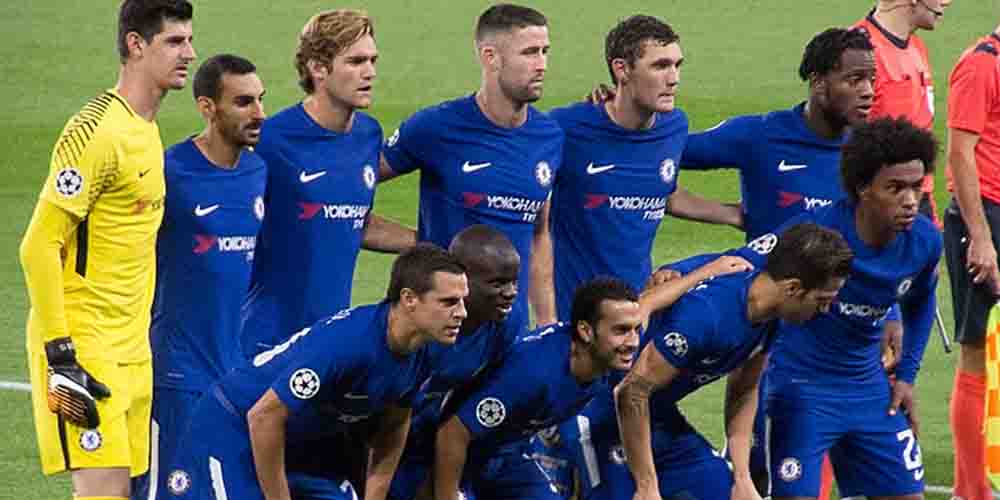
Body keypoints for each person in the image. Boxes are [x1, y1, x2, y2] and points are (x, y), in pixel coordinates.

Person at [679, 26, 880, 495]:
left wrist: (888, 316)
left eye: (872, 79)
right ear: (818, 83)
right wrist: (728, 213)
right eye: (855, 79)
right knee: (760, 464)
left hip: (842, 333)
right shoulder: (762, 136)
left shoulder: (868, 153)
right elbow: (665, 152)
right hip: (774, 328)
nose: (868, 90)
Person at [19, 1, 195, 499]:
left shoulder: (145, 129)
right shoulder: (95, 131)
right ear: (136, 45)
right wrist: (61, 354)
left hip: (132, 349)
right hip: (84, 347)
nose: (189, 53)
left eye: (189, 39)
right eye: (175, 41)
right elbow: (38, 245)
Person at [433, 255, 751, 500]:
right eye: (621, 331)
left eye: (635, 330)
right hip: (453, 456)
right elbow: (453, 432)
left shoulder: (603, 356)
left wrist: (706, 272)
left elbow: (649, 303)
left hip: (506, 453)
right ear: (586, 331)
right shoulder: (535, 371)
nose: (632, 342)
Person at [169, 244, 468, 500]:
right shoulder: (350, 344)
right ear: (409, 299)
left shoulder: (426, 349)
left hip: (301, 444)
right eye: (449, 302)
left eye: (463, 301)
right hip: (236, 429)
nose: (462, 313)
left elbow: (394, 425)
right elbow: (263, 417)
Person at [746, 117, 940, 500]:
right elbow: (743, 263)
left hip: (868, 389)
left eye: (916, 186)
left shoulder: (924, 242)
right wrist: (679, 275)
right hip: (801, 388)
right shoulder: (815, 235)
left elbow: (921, 301)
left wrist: (906, 377)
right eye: (895, 188)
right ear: (863, 187)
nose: (910, 200)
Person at [609, 223, 851, 500]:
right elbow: (631, 391)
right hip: (604, 410)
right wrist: (647, 485)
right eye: (822, 299)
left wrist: (742, 479)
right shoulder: (708, 314)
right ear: (793, 288)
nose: (825, 310)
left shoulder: (771, 316)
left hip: (656, 416)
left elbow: (744, 391)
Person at [130, 54, 267, 500]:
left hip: (230, 369)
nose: (259, 113)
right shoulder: (170, 172)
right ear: (207, 107)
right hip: (176, 372)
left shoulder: (257, 171)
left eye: (260, 99)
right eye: (243, 102)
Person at [242, 8, 415, 358]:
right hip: (267, 338)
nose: (370, 72)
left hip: (329, 337)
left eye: (372, 60)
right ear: (318, 68)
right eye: (356, 61)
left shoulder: (368, 135)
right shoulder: (271, 140)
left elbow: (350, 219)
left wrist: (430, 241)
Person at [546, 14, 741, 321]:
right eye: (660, 66)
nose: (674, 78)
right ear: (621, 69)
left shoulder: (674, 126)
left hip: (637, 309)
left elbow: (662, 192)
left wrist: (733, 214)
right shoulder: (567, 128)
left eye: (677, 65)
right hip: (578, 317)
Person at [380, 3, 564, 325]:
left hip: (510, 332)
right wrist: (420, 242)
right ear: (490, 57)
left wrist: (547, 323)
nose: (542, 65)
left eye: (545, 51)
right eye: (529, 53)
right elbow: (353, 189)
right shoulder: (436, 127)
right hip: (445, 331)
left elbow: (538, 234)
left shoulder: (549, 136)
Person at [388, 225, 524, 500]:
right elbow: (382, 413)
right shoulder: (422, 328)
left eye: (514, 282)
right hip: (389, 435)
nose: (510, 293)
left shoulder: (506, 321)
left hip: (441, 437)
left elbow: (474, 396)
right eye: (497, 283)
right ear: (462, 280)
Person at [943, 24, 1000, 500]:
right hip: (985, 217)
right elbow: (960, 154)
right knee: (979, 350)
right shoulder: (982, 64)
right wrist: (980, 238)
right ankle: (972, 488)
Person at [854, 0, 953, 226]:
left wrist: (929, 212)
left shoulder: (916, 47)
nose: (946, 2)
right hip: (879, 208)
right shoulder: (858, 54)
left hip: (916, 202)